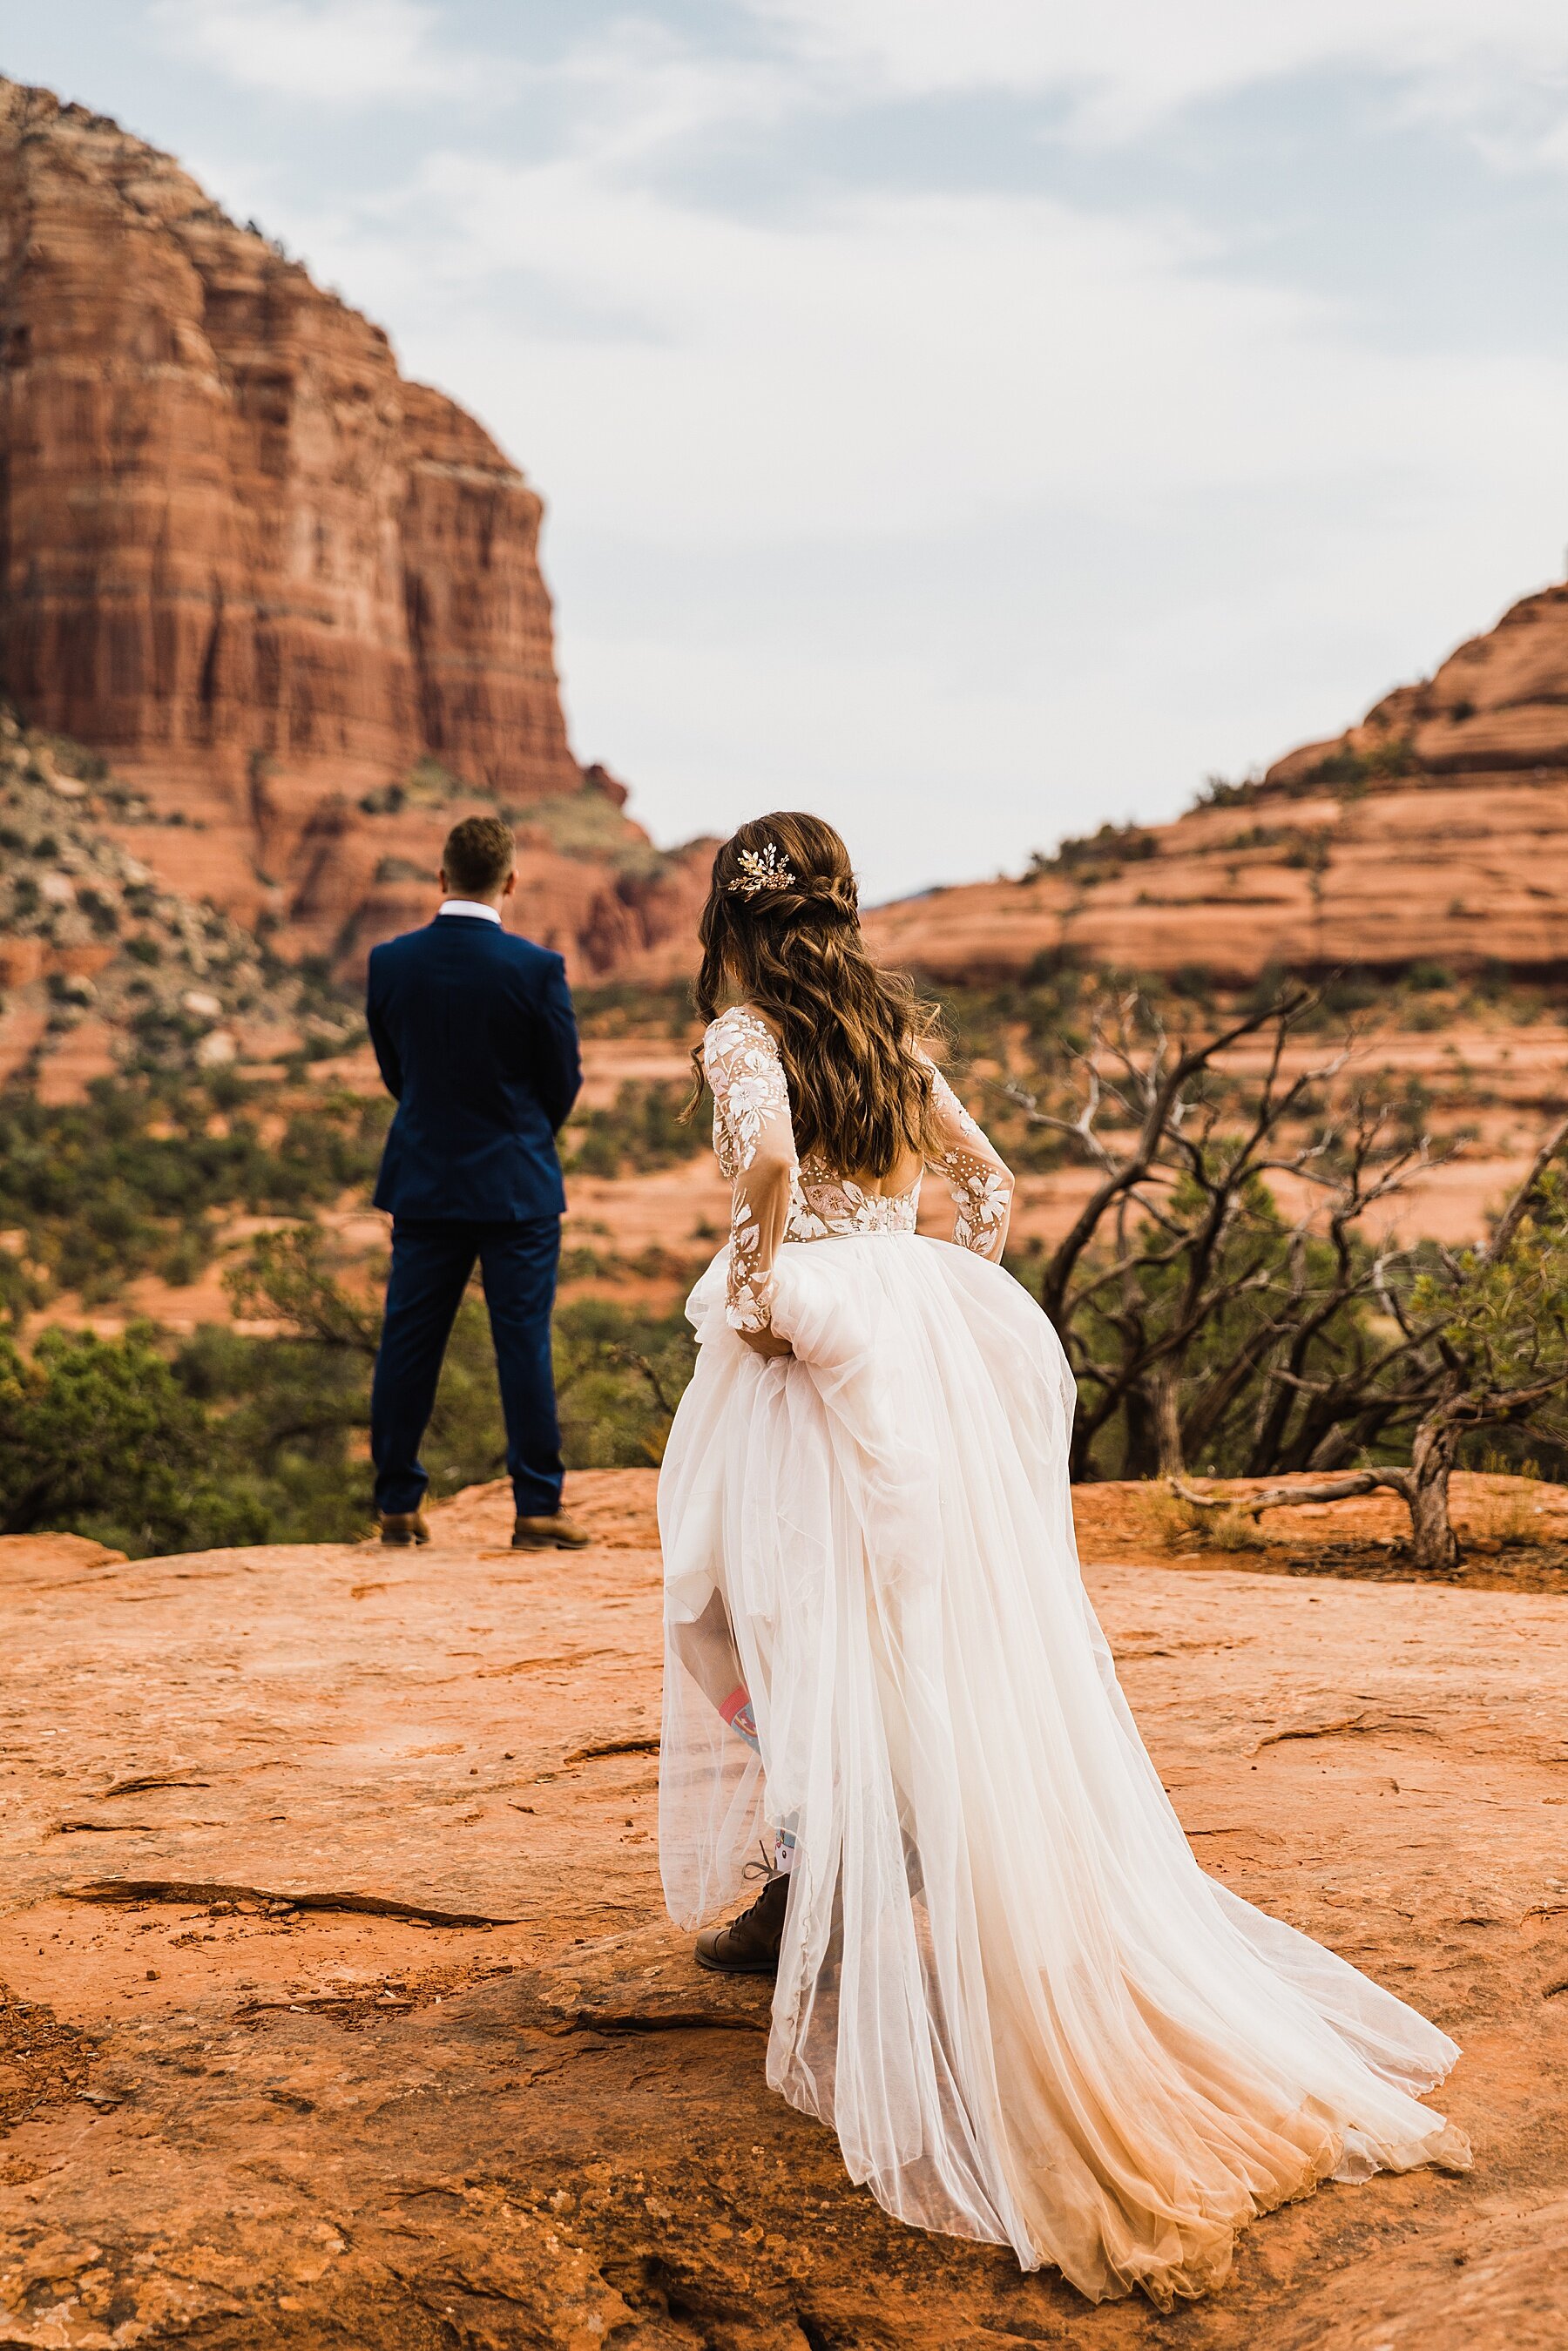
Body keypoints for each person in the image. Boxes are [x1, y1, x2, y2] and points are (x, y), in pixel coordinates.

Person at [656, 811, 1470, 2309]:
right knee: (900, 1612)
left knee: (729, 1607)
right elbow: (991, 1181)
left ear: (736, 913)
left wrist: (769, 1289)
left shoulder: (741, 1029)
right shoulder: (886, 1024)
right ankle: (829, 1846)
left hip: (810, 1335)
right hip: (905, 1327)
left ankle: (816, 1847)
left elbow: (765, 1159)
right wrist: (938, 1289)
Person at [365, 813, 588, 1551]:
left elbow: (396, 1071)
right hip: (518, 1184)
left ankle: (397, 1503)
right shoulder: (535, 969)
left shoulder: (391, 963)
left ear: (441, 877)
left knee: (408, 1340)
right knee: (523, 1343)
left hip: (424, 1180)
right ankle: (536, 1509)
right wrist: (522, 1131)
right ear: (510, 881)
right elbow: (563, 1082)